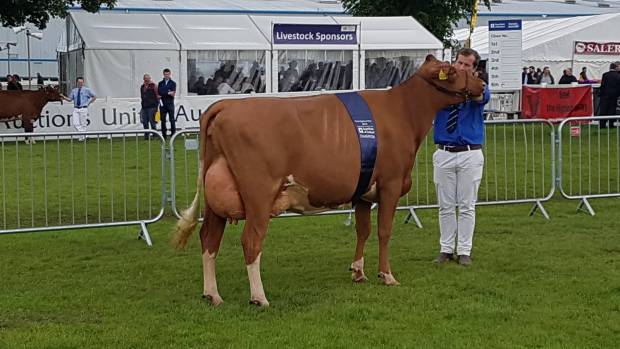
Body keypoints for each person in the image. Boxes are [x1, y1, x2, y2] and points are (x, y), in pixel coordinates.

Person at [433, 47, 490, 266]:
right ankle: (446, 248)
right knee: (445, 205)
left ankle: (464, 249)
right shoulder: (442, 86)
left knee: (466, 205)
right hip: (444, 150)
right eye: (459, 63)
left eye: (467, 65)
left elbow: (480, 98)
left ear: (474, 68)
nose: (462, 67)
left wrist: (467, 83)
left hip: (469, 152)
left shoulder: (479, 86)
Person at [62, 77, 96, 141]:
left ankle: (82, 137)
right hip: (76, 109)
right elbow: (70, 99)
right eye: (79, 82)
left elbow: (94, 96)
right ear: (76, 83)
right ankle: (85, 135)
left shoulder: (87, 90)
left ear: (83, 82)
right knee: (75, 123)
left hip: (83, 108)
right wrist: (63, 97)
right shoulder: (74, 90)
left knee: (83, 124)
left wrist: (88, 103)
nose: (80, 83)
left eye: (81, 82)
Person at [597, 62, 620, 128]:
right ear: (615, 67)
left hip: (604, 95)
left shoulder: (605, 75)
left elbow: (602, 85)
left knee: (603, 110)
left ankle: (602, 125)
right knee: (612, 110)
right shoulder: (618, 75)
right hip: (614, 96)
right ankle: (611, 124)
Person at [157, 68, 176, 139]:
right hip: (162, 104)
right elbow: (160, 93)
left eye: (167, 74)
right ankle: (164, 134)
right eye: (165, 74)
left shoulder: (173, 83)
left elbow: (172, 93)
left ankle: (173, 134)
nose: (166, 76)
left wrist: (166, 93)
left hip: (170, 104)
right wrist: (168, 92)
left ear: (170, 74)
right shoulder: (160, 83)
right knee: (163, 120)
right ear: (163, 74)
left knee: (172, 119)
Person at [140, 73, 160, 139]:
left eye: (147, 78)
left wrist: (157, 106)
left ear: (150, 78)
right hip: (144, 107)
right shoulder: (142, 87)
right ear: (143, 79)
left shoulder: (154, 86)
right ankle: (146, 136)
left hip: (152, 107)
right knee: (144, 122)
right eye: (145, 78)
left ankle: (155, 135)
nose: (146, 80)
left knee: (152, 122)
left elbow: (158, 96)